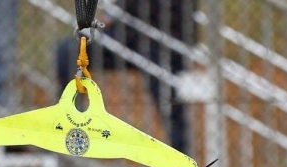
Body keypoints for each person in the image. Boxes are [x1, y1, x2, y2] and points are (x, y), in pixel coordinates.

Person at [54, 0, 195, 153]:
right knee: (68, 50)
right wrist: (109, 16)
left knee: (168, 99)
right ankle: (73, 123)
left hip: (162, 40)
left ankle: (180, 161)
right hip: (128, 35)